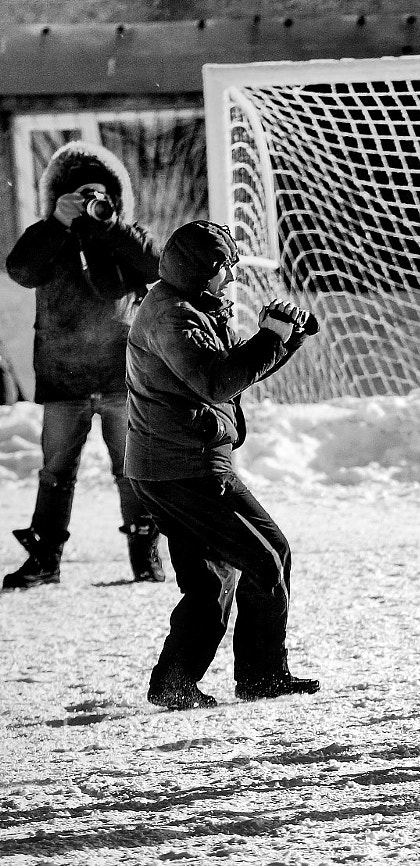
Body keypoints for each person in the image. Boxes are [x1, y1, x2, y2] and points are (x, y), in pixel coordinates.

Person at [125, 220, 320, 710]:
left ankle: (174, 682)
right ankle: (261, 676)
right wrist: (270, 336)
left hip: (172, 465)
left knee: (213, 577)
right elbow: (215, 381)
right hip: (184, 468)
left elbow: (227, 374)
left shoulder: (186, 307)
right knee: (268, 555)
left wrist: (284, 338)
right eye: (225, 268)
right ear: (202, 270)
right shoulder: (174, 317)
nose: (232, 277)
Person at [3, 142, 167, 590]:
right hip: (63, 377)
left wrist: (110, 227)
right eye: (77, 195)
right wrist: (59, 223)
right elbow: (20, 270)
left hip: (120, 374)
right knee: (55, 471)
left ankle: (145, 557)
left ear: (115, 197)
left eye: (99, 195)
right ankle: (44, 561)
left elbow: (156, 266)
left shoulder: (126, 232)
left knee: (132, 468)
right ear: (59, 197)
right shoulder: (48, 235)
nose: (89, 202)